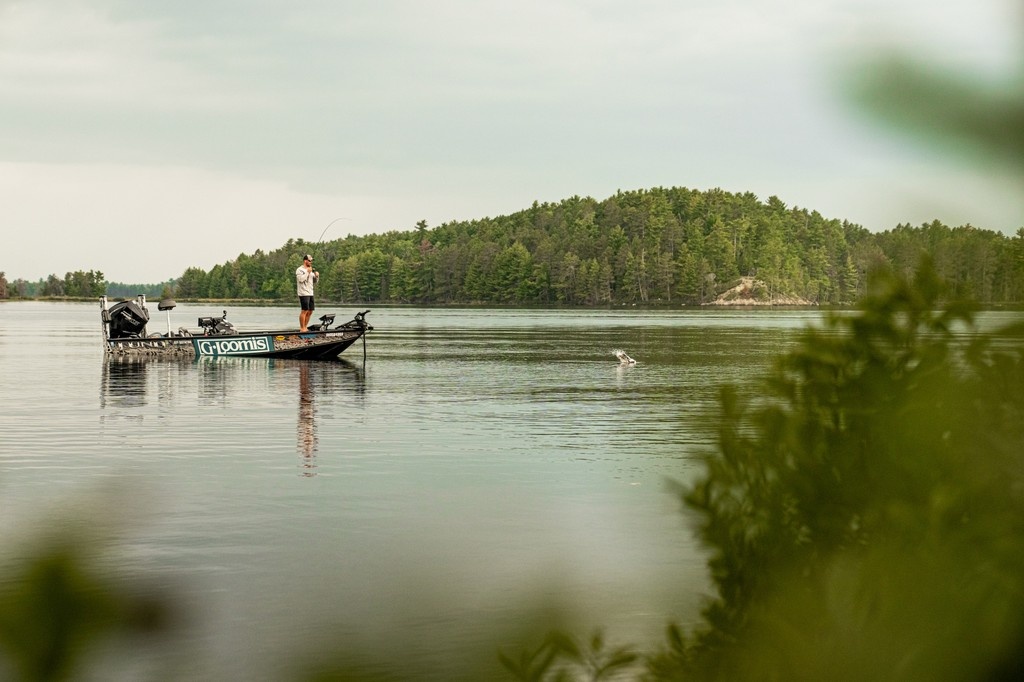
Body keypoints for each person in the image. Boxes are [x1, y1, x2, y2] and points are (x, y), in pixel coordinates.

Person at [295, 253, 319, 331]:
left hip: (310, 292)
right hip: (303, 293)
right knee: (304, 310)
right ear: (305, 261)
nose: (311, 262)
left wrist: (316, 276)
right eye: (310, 261)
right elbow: (301, 279)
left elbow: (315, 281)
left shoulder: (311, 270)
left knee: (310, 311)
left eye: (311, 261)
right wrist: (307, 272)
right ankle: (302, 328)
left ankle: (305, 327)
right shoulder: (300, 270)